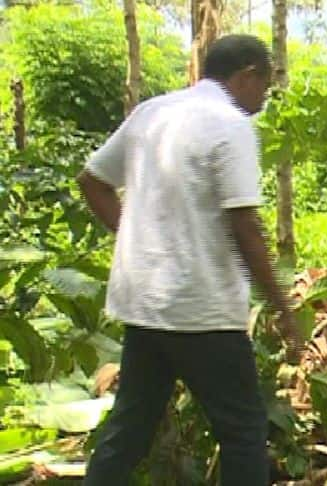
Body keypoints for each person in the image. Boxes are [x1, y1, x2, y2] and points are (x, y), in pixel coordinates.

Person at [78, 34, 299, 485]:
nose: (265, 98)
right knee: (242, 433)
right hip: (202, 312)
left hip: (145, 304)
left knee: (130, 430)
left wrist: (135, 237)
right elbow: (245, 228)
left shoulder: (153, 112)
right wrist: (283, 307)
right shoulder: (230, 124)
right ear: (247, 76)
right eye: (265, 86)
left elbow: (92, 181)